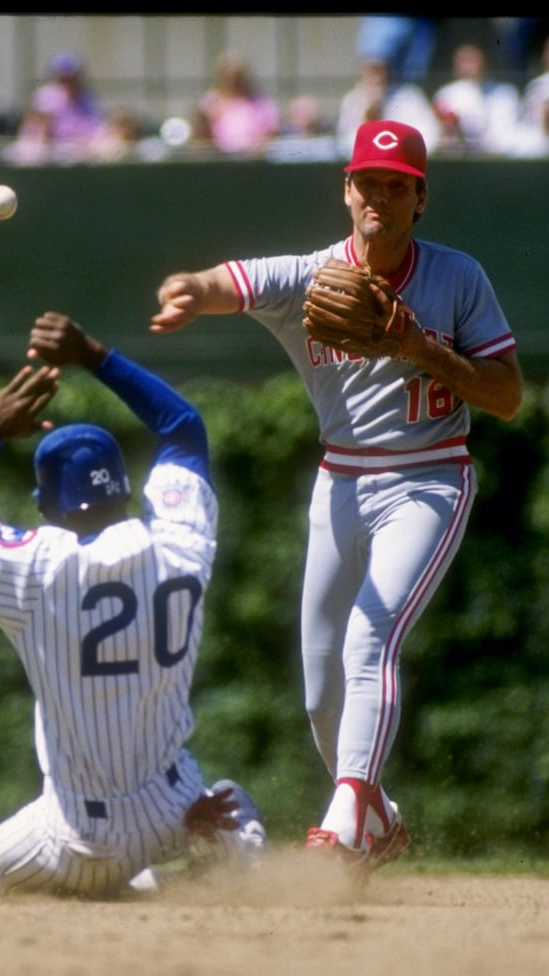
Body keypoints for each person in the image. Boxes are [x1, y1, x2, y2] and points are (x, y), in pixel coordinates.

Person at [148, 120, 523, 881]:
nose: (378, 195)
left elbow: (508, 397)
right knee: (320, 689)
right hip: (340, 482)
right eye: (367, 182)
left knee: (368, 640)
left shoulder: (457, 278)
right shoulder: (313, 275)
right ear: (346, 192)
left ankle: (344, 817)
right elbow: (234, 283)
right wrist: (191, 290)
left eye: (396, 185)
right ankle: (380, 818)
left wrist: (421, 347)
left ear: (420, 199)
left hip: (429, 477)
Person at [0, 312, 267, 899]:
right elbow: (183, 426)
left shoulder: (37, 567)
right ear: (121, 485)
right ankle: (225, 853)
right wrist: (92, 354)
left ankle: (125, 887)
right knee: (229, 797)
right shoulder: (181, 540)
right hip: (178, 811)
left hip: (79, 838)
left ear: (47, 505)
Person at [430, 42, 520, 155]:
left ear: (484, 60)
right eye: (463, 61)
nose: (468, 66)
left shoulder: (505, 93)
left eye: (472, 60)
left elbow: (505, 136)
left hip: (496, 159)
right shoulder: (445, 94)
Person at [195, 51, 282, 156]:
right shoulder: (211, 101)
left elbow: (272, 132)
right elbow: (200, 137)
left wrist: (257, 149)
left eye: (237, 77)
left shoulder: (259, 102)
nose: (233, 82)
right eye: (228, 77)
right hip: (219, 160)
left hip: (253, 160)